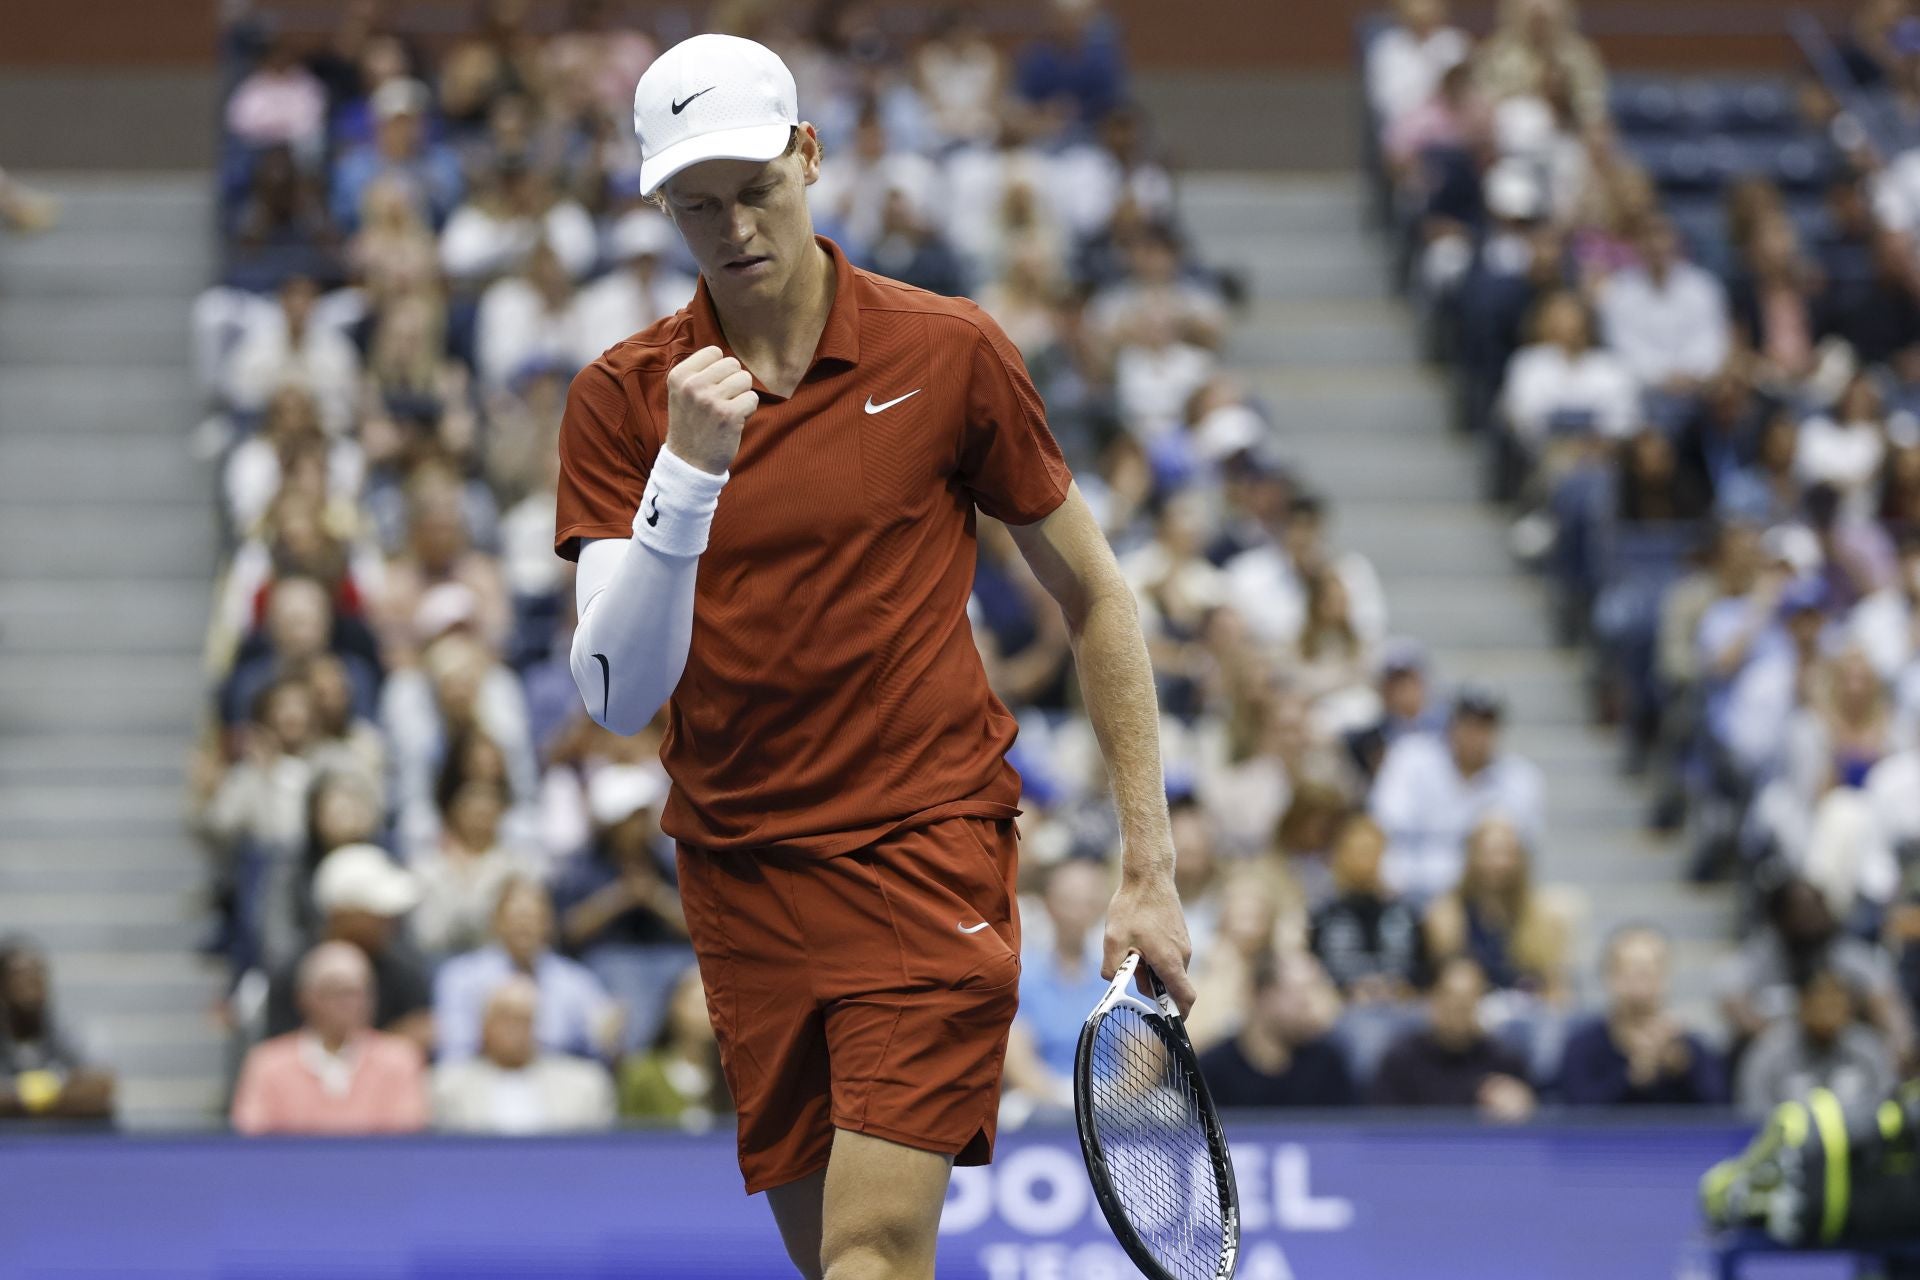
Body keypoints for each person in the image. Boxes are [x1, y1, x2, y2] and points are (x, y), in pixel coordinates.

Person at [553, 35, 1193, 1280]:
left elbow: (1095, 594)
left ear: (810, 154)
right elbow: (619, 694)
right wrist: (686, 473)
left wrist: (1148, 867)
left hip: (924, 845)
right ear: (660, 205)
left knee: (872, 1253)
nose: (733, 226)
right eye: (697, 203)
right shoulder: (624, 399)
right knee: (842, 1265)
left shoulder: (949, 351)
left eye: (755, 188)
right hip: (739, 869)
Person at [232, 941, 429, 1135]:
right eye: (335, 992)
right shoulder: (267, 1063)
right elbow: (252, 1137)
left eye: (357, 993)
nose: (349, 1004)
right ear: (305, 998)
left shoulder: (400, 1060)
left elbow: (406, 1135)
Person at [1370, 685, 1546, 901]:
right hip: (1408, 890)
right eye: (1468, 723)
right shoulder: (1411, 758)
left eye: (1485, 725)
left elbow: (1522, 852)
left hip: (1483, 897)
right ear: (1451, 725)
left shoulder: (1520, 777)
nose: (1475, 734)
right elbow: (1384, 826)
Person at [262, 843, 436, 1052]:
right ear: (342, 913)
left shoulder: (406, 972)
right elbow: (281, 1058)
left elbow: (421, 1037)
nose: (390, 921)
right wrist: (390, 1041)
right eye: (377, 913)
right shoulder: (294, 973)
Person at [434, 877, 622, 1064]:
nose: (525, 926)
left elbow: (601, 1040)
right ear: (496, 922)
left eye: (534, 918)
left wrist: (609, 1032)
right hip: (484, 1071)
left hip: (556, 1075)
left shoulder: (574, 980)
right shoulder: (461, 975)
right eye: (517, 917)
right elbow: (455, 1049)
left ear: (548, 924)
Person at [1558, 925, 1727, 1106]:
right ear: (1608, 977)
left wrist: (1684, 1068)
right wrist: (1632, 1077)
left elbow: (1722, 1111)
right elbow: (1575, 1117)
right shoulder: (1581, 1048)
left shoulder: (1691, 1050)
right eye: (1627, 972)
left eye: (1649, 973)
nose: (1639, 985)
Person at [1001, 859, 1117, 1114]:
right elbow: (1017, 1058)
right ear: (1048, 904)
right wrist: (1061, 1099)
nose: (1078, 912)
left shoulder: (1123, 975)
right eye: (1069, 901)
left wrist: (1104, 1102)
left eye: (1088, 902)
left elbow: (1143, 1060)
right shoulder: (1022, 973)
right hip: (1042, 1097)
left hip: (1114, 1101)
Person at [432, 976, 617, 1133]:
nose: (514, 1029)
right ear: (484, 1027)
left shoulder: (585, 1084)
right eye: (505, 1018)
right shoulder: (447, 1086)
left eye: (524, 1019)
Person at [1371, 956, 1536, 1121]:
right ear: (1432, 997)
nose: (1458, 1007)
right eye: (1450, 996)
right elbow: (1384, 1129)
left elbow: (1528, 1126)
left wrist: (1520, 1107)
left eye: (1468, 997)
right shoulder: (1401, 1060)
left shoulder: (1504, 1060)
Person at [1423, 815, 1569, 1000]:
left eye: (1506, 853)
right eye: (1488, 853)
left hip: (1526, 1014)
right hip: (1471, 1014)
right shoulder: (1447, 913)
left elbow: (1555, 986)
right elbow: (1442, 982)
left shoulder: (1542, 916)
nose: (1497, 862)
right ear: (1471, 856)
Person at [1197, 951, 1356, 1109]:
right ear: (1260, 994)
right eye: (1298, 994)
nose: (1308, 1004)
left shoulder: (1328, 1065)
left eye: (1313, 992)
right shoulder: (1212, 1072)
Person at [1736, 967, 1899, 1118]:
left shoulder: (1869, 1048)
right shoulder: (1769, 1051)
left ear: (1850, 1008)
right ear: (1802, 1004)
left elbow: (1890, 1107)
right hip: (1789, 1147)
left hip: (1862, 1145)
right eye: (1820, 1002)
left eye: (1835, 1003)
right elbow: (1752, 1114)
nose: (1827, 1012)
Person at [1310, 815, 1427, 1004]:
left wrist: (1404, 990)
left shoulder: (1405, 914)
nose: (1364, 860)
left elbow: (1423, 974)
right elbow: (1313, 972)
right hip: (1340, 1010)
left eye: (1370, 851)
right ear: (1340, 855)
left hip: (1399, 1009)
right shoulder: (1321, 915)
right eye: (1356, 851)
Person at [0, 939, 116, 1123]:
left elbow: (101, 1089)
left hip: (68, 1145)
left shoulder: (70, 1028)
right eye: (18, 978)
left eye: (36, 977)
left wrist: (22, 1100)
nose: (29, 987)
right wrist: (61, 1096)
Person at [619, 966, 732, 1128]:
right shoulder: (641, 1075)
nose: (708, 1012)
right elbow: (627, 1139)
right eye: (699, 1002)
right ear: (674, 1007)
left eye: (716, 1003)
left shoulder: (736, 1077)